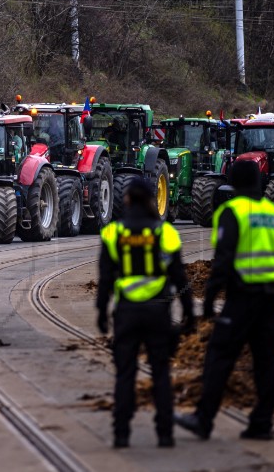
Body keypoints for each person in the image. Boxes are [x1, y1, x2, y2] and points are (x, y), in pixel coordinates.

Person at [175, 160, 274, 441]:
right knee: (265, 362)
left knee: (219, 356)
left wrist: (210, 299)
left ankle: (203, 419)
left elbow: (223, 260)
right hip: (269, 299)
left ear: (234, 183)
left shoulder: (232, 212)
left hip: (241, 299)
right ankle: (262, 423)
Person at [97, 177, 194, 449]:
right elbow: (180, 277)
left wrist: (101, 311)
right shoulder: (165, 233)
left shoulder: (113, 233)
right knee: (160, 373)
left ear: (127, 199)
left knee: (125, 374)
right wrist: (189, 312)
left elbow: (105, 278)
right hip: (158, 312)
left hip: (127, 312)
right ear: (152, 199)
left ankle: (121, 434)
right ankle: (165, 433)